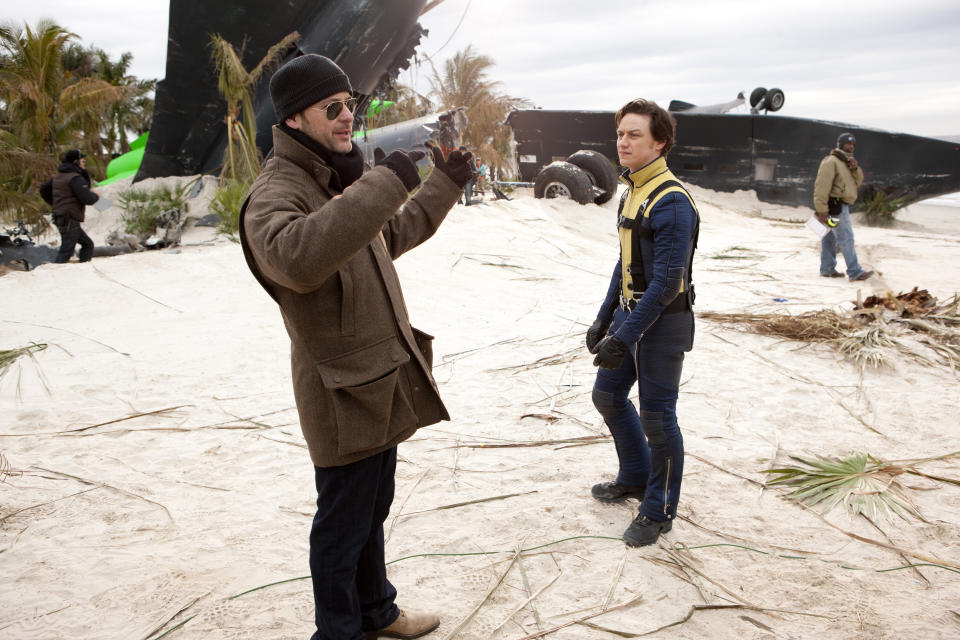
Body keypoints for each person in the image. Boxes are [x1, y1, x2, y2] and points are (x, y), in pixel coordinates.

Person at [238, 54, 473, 640]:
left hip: (378, 378)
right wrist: (384, 182)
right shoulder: (277, 190)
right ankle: (338, 631)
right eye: (333, 108)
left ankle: (378, 612)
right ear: (294, 119)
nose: (348, 117)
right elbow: (297, 258)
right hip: (340, 392)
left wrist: (443, 186)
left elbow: (383, 236)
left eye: (352, 105)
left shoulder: (336, 176)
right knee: (342, 527)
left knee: (371, 513)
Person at [585, 98, 699, 547]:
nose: (623, 141)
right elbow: (625, 262)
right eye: (620, 133)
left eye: (634, 134)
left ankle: (659, 509)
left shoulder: (672, 201)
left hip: (664, 324)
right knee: (608, 395)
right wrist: (603, 319)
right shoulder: (634, 189)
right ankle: (634, 475)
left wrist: (624, 335)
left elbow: (669, 282)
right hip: (633, 316)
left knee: (658, 417)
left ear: (660, 142)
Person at [813, 133, 874, 281]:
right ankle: (854, 271)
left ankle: (827, 269)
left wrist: (855, 168)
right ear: (840, 145)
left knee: (829, 238)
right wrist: (821, 210)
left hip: (838, 205)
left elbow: (857, 183)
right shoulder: (831, 161)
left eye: (853, 144)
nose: (851, 146)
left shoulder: (846, 163)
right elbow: (822, 186)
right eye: (847, 144)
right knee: (846, 238)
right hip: (836, 205)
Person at [39, 149, 99, 263]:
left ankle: (83, 268)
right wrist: (97, 196)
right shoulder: (75, 178)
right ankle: (55, 271)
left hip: (61, 216)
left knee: (87, 244)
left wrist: (56, 204)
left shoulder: (58, 177)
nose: (84, 163)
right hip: (69, 217)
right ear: (76, 162)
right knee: (67, 250)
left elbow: (43, 190)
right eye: (83, 161)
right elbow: (87, 199)